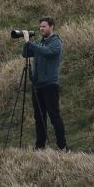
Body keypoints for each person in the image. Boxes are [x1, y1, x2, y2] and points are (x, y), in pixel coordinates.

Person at [22, 18, 66, 150]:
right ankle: (39, 146)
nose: (41, 29)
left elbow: (46, 52)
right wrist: (26, 43)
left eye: (44, 26)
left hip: (50, 85)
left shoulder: (56, 42)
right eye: (40, 26)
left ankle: (63, 146)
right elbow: (25, 54)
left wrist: (29, 42)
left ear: (51, 27)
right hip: (37, 85)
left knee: (54, 116)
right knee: (39, 117)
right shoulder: (39, 43)